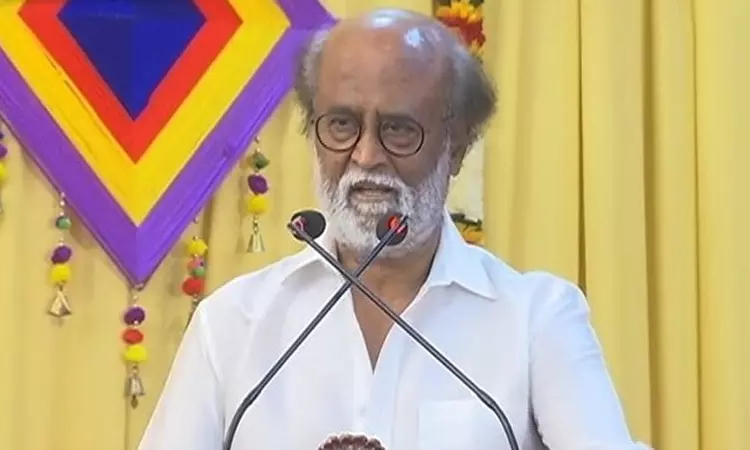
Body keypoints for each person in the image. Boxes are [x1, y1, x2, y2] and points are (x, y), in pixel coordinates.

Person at [139, 8, 650, 450]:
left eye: (399, 129)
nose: (365, 156)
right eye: (342, 125)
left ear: (456, 147)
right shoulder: (232, 324)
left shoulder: (536, 322)